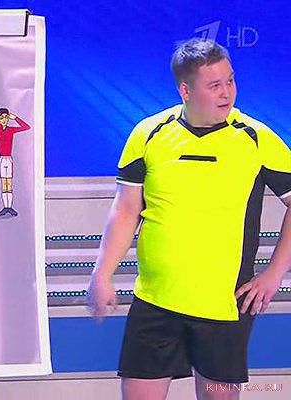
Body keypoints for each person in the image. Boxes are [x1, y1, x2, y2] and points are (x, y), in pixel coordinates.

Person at [86, 38, 291, 400]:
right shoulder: (149, 134)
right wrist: (102, 274)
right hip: (155, 301)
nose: (226, 93)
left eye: (230, 80)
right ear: (186, 90)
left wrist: (274, 273)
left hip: (224, 305)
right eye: (215, 85)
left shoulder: (257, 139)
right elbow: (126, 210)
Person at [0, 108, 30, 216]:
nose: (4, 120)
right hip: (1, 159)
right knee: (4, 183)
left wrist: (15, 118)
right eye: (1, 118)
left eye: (6, 117)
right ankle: (5, 206)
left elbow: (26, 127)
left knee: (9, 182)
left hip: (9, 158)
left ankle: (9, 206)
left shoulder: (11, 129)